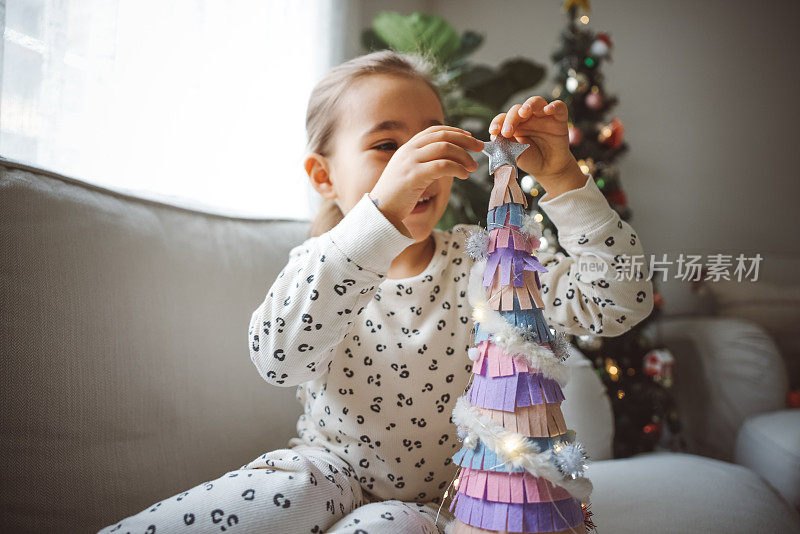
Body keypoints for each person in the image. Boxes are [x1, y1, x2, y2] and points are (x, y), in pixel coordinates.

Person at [98, 49, 653, 534]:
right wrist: (378, 215)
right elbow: (277, 360)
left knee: (389, 524)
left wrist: (562, 179)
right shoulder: (323, 266)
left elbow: (619, 303)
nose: (416, 163)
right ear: (323, 177)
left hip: (439, 504)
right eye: (387, 144)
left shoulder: (485, 262)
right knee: (287, 490)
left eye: (430, 139)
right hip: (329, 472)